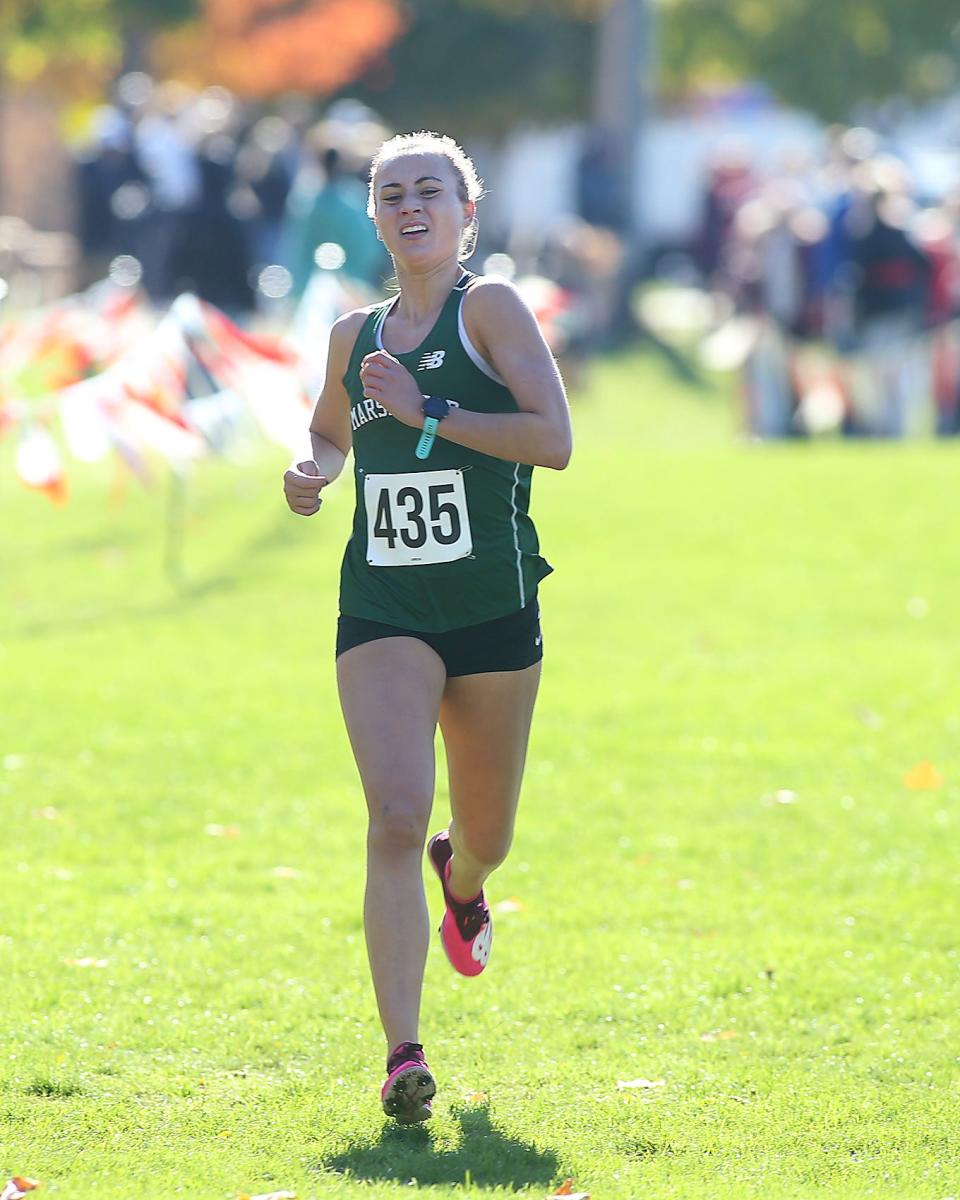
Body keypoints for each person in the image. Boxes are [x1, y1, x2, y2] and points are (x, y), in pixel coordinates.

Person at [282, 131, 572, 1123]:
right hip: (385, 608)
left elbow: (554, 439)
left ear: (465, 213)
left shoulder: (488, 308)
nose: (411, 207)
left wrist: (428, 408)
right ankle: (403, 1054)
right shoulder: (351, 335)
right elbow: (328, 428)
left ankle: (466, 878)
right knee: (395, 816)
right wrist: (315, 468)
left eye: (429, 192)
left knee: (483, 834)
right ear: (374, 216)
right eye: (392, 193)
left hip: (494, 610)